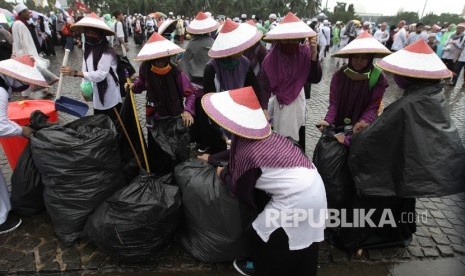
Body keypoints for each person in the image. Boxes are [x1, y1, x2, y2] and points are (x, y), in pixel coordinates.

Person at [347, 39, 465, 250]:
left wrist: (354, 139)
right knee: (405, 198)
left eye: (399, 75)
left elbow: (372, 138)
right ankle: (401, 233)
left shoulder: (408, 104)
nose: (395, 78)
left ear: (410, 76)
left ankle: (382, 236)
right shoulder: (433, 95)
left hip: (401, 167)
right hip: (414, 164)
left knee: (388, 198)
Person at [198, 86, 327, 276]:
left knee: (259, 233)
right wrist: (211, 158)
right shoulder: (268, 135)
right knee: (303, 242)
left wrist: (222, 173)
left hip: (298, 199)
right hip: (315, 187)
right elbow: (233, 152)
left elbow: (240, 188)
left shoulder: (248, 153)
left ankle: (261, 268)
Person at [127, 32, 195, 175]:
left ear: (167, 56)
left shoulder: (176, 73)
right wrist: (133, 86)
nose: (158, 61)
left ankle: (175, 175)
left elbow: (190, 94)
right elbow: (141, 84)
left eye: (162, 58)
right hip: (154, 117)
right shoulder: (145, 69)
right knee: (157, 151)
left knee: (174, 153)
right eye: (155, 58)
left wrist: (188, 110)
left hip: (173, 117)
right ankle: (158, 175)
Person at [0, 55, 47, 234]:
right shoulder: (1, 90)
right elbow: (1, 124)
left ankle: (4, 211)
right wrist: (22, 131)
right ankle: (1, 220)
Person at [260, 12, 321, 150]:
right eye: (287, 40)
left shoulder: (305, 53)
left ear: (299, 39)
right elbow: (264, 87)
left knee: (297, 142)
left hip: (297, 103)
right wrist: (263, 109)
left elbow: (314, 78)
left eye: (294, 40)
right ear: (279, 40)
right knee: (279, 143)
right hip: (279, 105)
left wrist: (313, 54)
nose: (291, 44)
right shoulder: (270, 60)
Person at [202, 18, 263, 153]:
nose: (243, 49)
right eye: (238, 46)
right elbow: (208, 101)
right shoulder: (211, 69)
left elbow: (253, 90)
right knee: (221, 152)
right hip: (219, 115)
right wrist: (218, 130)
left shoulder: (245, 63)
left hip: (240, 113)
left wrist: (259, 112)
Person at [60, 13, 122, 122]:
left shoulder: (108, 51)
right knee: (100, 120)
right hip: (96, 93)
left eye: (94, 32)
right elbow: (85, 69)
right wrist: (85, 88)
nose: (90, 34)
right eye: (88, 31)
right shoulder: (88, 50)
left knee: (113, 121)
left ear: (100, 33)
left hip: (109, 91)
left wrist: (75, 73)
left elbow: (101, 74)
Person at [179, 11, 220, 152]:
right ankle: (210, 142)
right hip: (210, 84)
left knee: (197, 116)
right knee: (209, 115)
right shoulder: (213, 43)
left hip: (195, 86)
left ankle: (198, 142)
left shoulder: (190, 45)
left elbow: (184, 66)